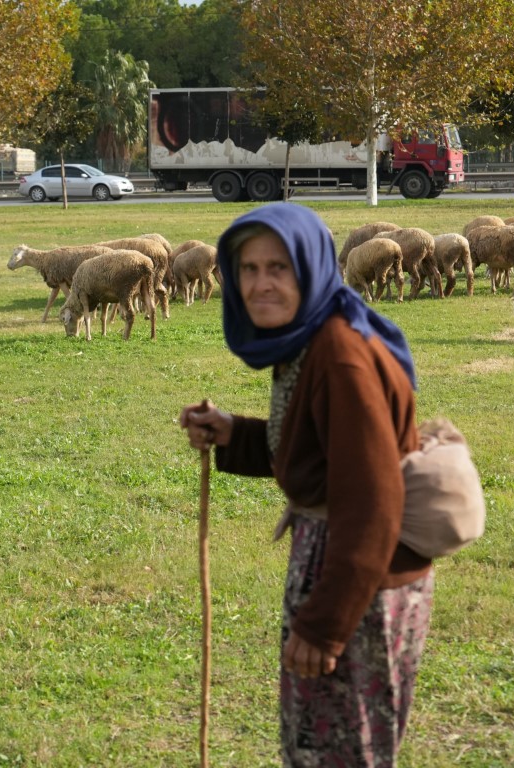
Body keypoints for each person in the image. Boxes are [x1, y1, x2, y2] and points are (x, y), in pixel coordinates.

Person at [179, 203, 433, 767]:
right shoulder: (310, 340)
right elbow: (321, 455)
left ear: (312, 270)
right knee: (320, 745)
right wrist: (233, 435)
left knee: (342, 752)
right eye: (249, 269)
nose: (261, 284)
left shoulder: (340, 357)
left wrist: (323, 626)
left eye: (279, 268)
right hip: (341, 566)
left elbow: (371, 503)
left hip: (361, 582)